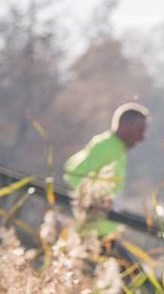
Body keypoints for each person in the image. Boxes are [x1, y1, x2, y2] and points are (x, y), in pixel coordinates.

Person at [63, 102, 149, 239]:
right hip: (91, 232)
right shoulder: (105, 146)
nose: (142, 137)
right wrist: (94, 198)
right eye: (140, 130)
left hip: (105, 233)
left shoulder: (118, 150)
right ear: (124, 126)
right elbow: (73, 173)